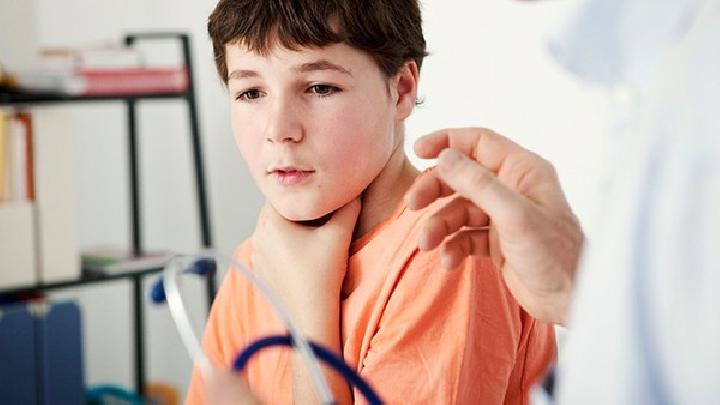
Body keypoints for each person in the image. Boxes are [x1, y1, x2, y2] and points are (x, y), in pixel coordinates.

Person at [186, 0, 555, 403]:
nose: (279, 129)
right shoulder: (260, 258)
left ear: (401, 89)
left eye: (320, 88)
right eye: (251, 92)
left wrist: (308, 307)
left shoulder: (451, 243)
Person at [406, 0, 720, 404]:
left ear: (403, 88)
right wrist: (576, 289)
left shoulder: (700, 110)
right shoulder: (662, 81)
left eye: (329, 88)